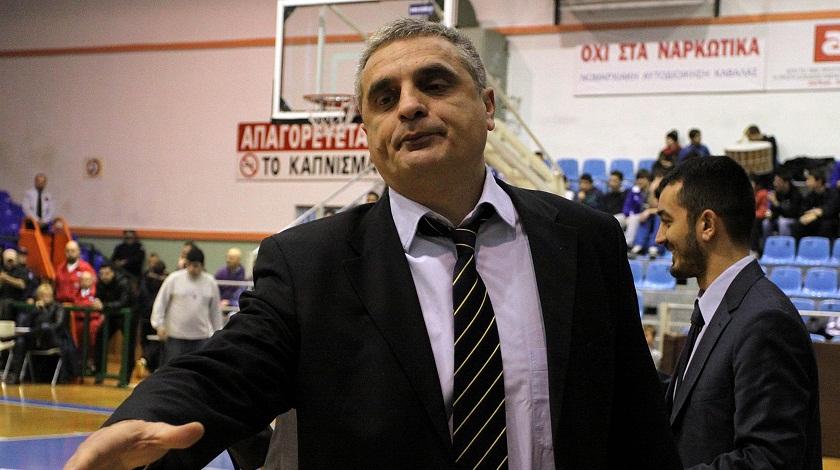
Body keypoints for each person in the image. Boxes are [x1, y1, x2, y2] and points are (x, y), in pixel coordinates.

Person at [66, 18, 680, 470]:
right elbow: (227, 371)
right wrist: (132, 426)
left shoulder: (585, 239)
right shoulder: (310, 264)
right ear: (367, 132)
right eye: (385, 99)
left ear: (488, 106)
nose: (409, 106)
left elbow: (637, 419)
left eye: (434, 84)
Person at [655, 156, 820, 468]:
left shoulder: (765, 321)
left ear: (707, 225)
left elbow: (769, 459)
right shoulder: (720, 307)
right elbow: (695, 402)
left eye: (667, 221)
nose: (659, 237)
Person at [151, 247, 222, 366]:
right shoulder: (173, 279)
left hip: (201, 337)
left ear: (202, 265)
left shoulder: (211, 282)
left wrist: (217, 333)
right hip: (175, 336)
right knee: (172, 369)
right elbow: (160, 303)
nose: (192, 269)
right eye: (189, 265)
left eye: (196, 266)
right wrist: (159, 325)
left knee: (197, 370)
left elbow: (215, 311)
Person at [6, 283, 77, 384]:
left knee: (44, 328)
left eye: (48, 295)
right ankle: (15, 376)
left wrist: (43, 312)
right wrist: (35, 311)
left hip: (52, 340)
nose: (45, 298)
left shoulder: (58, 308)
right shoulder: (35, 308)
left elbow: (57, 326)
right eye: (42, 296)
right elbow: (26, 324)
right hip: (36, 339)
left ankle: (14, 338)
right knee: (21, 342)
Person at [91, 262, 136, 379]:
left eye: (107, 273)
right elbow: (98, 297)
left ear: (113, 273)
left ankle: (125, 375)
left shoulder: (123, 282)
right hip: (111, 315)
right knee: (100, 337)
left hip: (129, 317)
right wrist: (97, 302)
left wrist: (104, 306)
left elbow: (123, 302)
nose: (104, 276)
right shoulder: (100, 283)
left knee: (129, 345)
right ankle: (99, 371)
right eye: (101, 274)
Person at [795, 170, 840, 239]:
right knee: (799, 223)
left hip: (829, 220)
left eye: (809, 179)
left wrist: (817, 214)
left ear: (819, 181)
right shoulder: (810, 196)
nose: (807, 182)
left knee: (826, 225)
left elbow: (831, 209)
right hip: (814, 220)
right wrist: (814, 213)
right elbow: (803, 210)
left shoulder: (832, 193)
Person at [762, 170, 803, 239]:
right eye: (774, 181)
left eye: (777, 181)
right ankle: (767, 245)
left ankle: (783, 245)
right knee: (766, 223)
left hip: (794, 219)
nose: (774, 184)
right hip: (780, 219)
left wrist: (776, 203)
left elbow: (791, 213)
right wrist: (770, 215)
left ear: (786, 183)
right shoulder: (777, 193)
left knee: (783, 222)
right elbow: (774, 213)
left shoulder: (796, 194)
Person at [623, 168, 652, 248]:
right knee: (616, 219)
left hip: (642, 215)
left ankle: (627, 244)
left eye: (642, 178)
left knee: (633, 219)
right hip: (630, 215)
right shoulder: (634, 190)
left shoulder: (651, 192)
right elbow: (627, 205)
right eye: (638, 178)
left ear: (648, 180)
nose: (639, 181)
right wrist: (627, 215)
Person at [214, 248, 247, 312]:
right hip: (220, 305)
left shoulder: (245, 275)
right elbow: (214, 290)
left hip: (236, 307)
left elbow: (242, 295)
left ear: (238, 260)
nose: (228, 260)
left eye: (231, 258)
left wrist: (230, 302)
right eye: (227, 257)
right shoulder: (221, 273)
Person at [0, 248, 28, 320]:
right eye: (8, 261)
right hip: (2, 299)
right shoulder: (2, 269)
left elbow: (22, 284)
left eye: (11, 260)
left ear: (15, 259)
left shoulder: (21, 270)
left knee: (6, 303)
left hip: (16, 300)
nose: (10, 263)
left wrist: (6, 278)